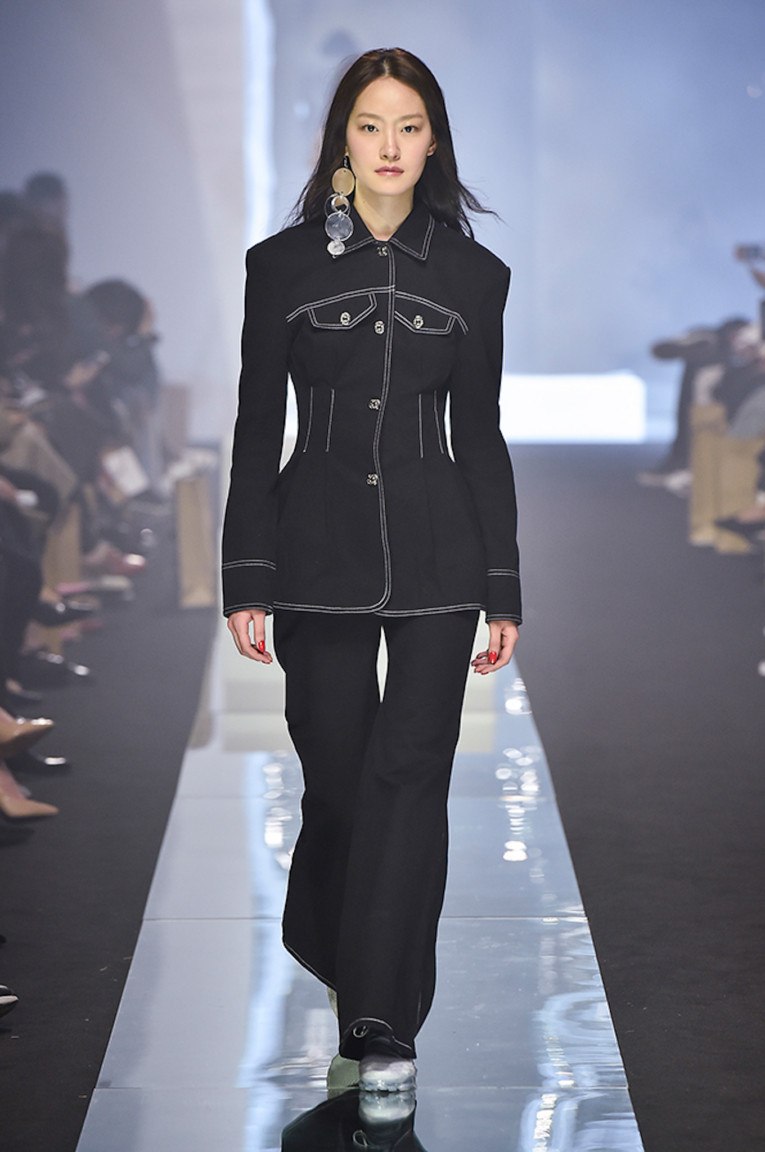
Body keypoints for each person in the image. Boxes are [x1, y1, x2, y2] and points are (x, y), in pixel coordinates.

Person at [223, 48, 521, 1096]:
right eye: (369, 124)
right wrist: (246, 574)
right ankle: (337, 938)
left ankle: (380, 1020)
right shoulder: (282, 266)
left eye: (409, 125)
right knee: (339, 780)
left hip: (441, 556)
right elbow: (255, 427)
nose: (390, 145)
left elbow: (479, 436)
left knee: (411, 776)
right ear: (341, 141)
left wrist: (503, 585)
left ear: (433, 141)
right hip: (315, 552)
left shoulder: (475, 277)